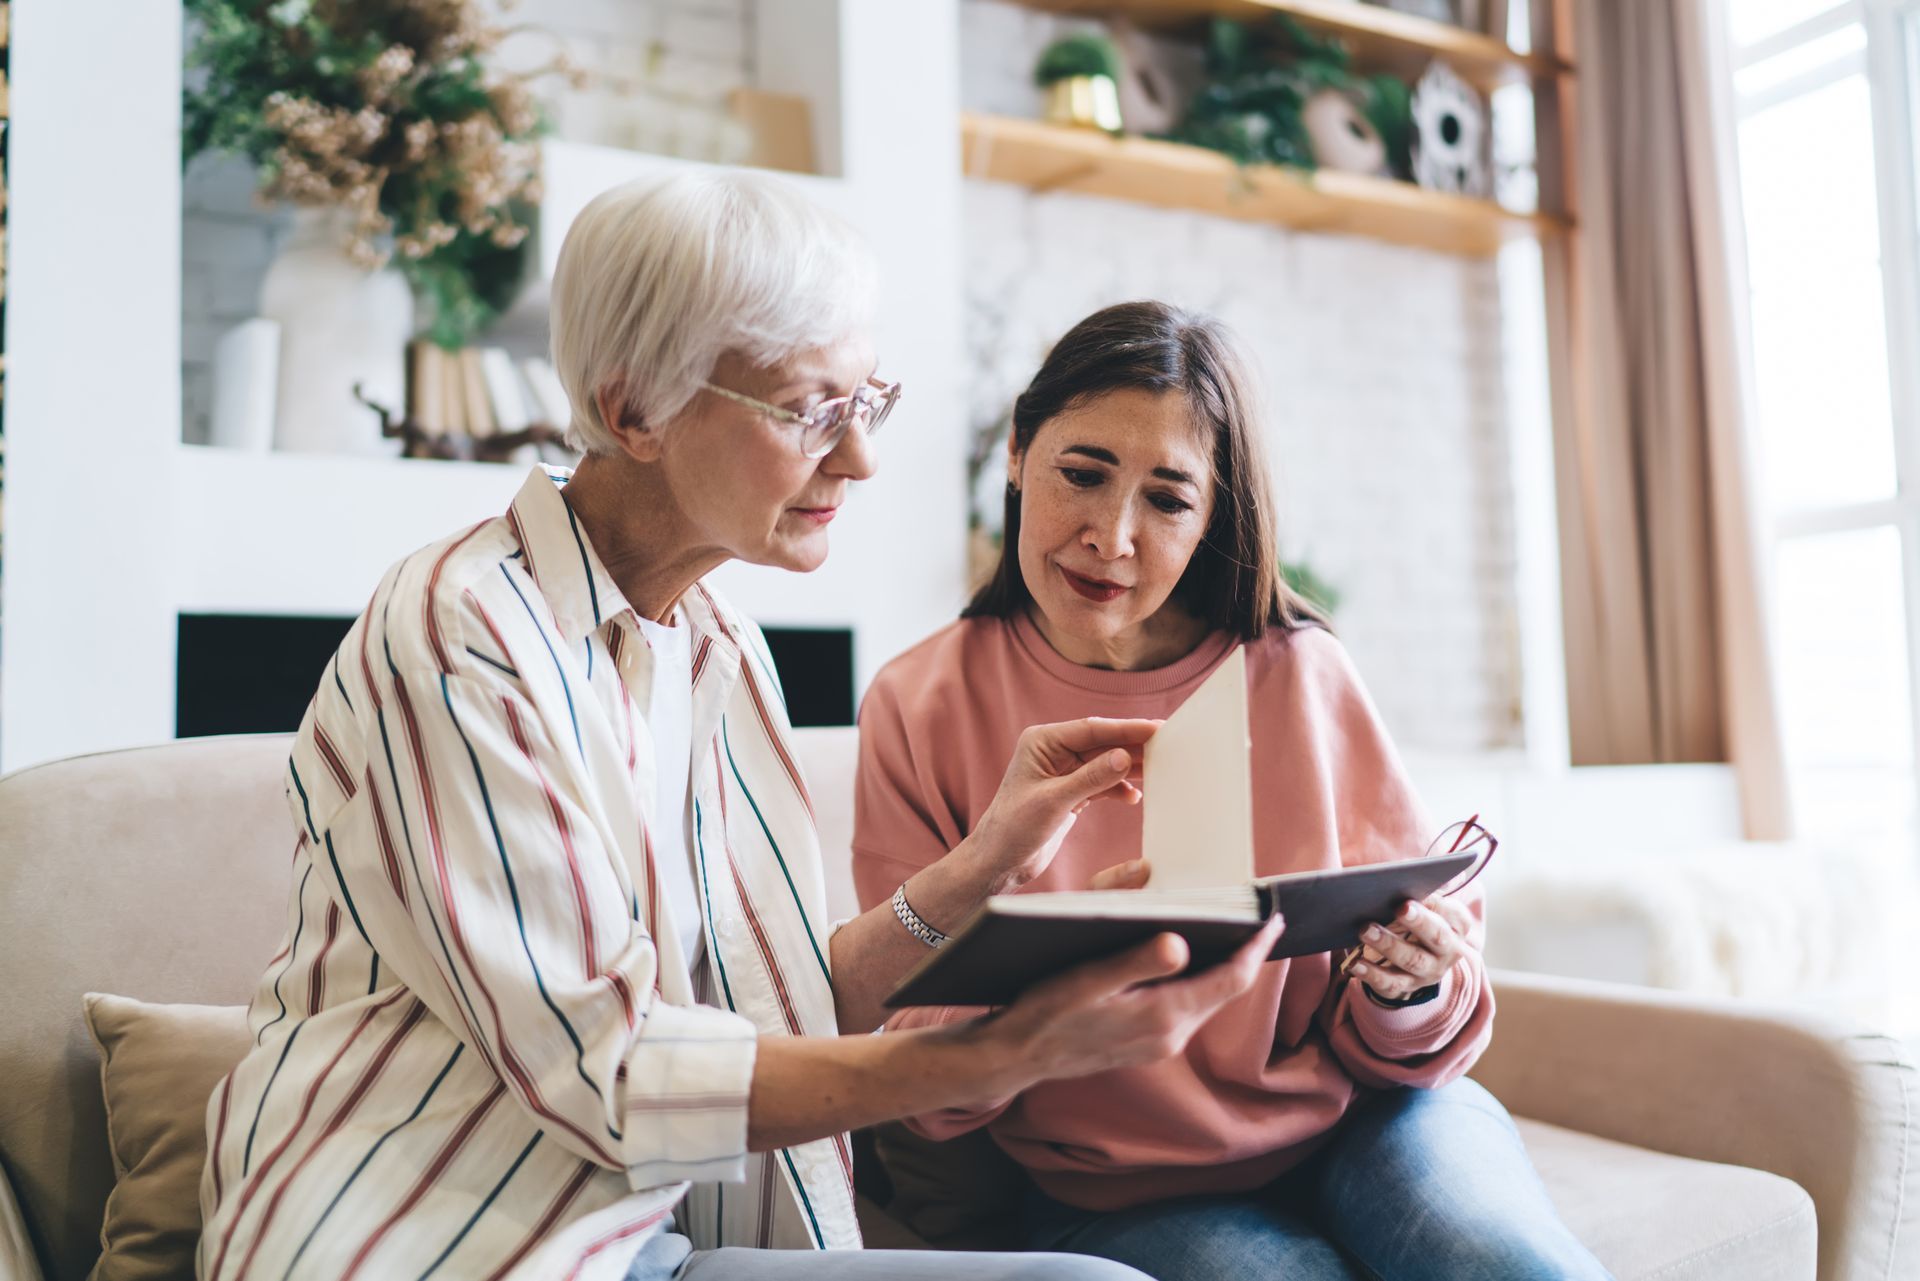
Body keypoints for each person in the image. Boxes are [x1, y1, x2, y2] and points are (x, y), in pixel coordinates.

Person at [197, 177, 1281, 1281]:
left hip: (646, 1243)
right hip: (427, 1249)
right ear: (636, 415)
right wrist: (998, 1055)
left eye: (868, 403)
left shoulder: (718, 647)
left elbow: (773, 999)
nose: (858, 459)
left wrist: (983, 870)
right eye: (813, 410)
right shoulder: (460, 633)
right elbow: (615, 1076)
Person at [852, 301, 1614, 1280]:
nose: (1111, 536)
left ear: (1213, 515)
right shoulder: (919, 703)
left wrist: (1411, 983)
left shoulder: (1301, 673)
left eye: (1168, 499)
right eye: (1081, 474)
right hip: (1121, 1184)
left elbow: (1411, 1015)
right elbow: (922, 1079)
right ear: (1015, 453)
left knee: (1508, 1262)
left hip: (1370, 1121)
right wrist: (1041, 958)